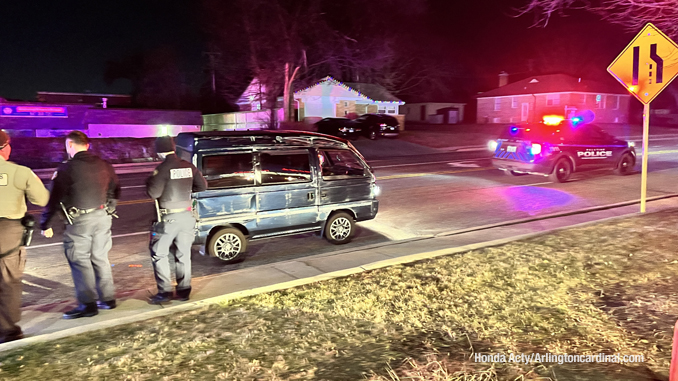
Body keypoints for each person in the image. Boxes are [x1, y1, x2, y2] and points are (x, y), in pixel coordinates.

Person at [40, 131, 121, 319]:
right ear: (87, 145)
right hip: (102, 217)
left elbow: (54, 199)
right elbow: (116, 189)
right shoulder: (104, 165)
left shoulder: (66, 169)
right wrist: (108, 207)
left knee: (79, 260)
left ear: (70, 145)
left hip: (80, 221)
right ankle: (108, 299)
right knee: (100, 257)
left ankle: (88, 305)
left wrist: (45, 224)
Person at [0, 130, 50, 343]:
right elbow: (42, 199)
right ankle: (8, 330)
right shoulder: (21, 172)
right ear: (5, 147)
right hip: (8, 232)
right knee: (9, 280)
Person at [146, 136, 207, 304]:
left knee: (159, 253)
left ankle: (164, 292)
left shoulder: (162, 169)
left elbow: (153, 193)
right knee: (183, 254)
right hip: (187, 216)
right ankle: (184, 291)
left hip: (168, 219)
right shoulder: (189, 166)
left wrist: (149, 180)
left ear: (159, 151)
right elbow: (202, 186)